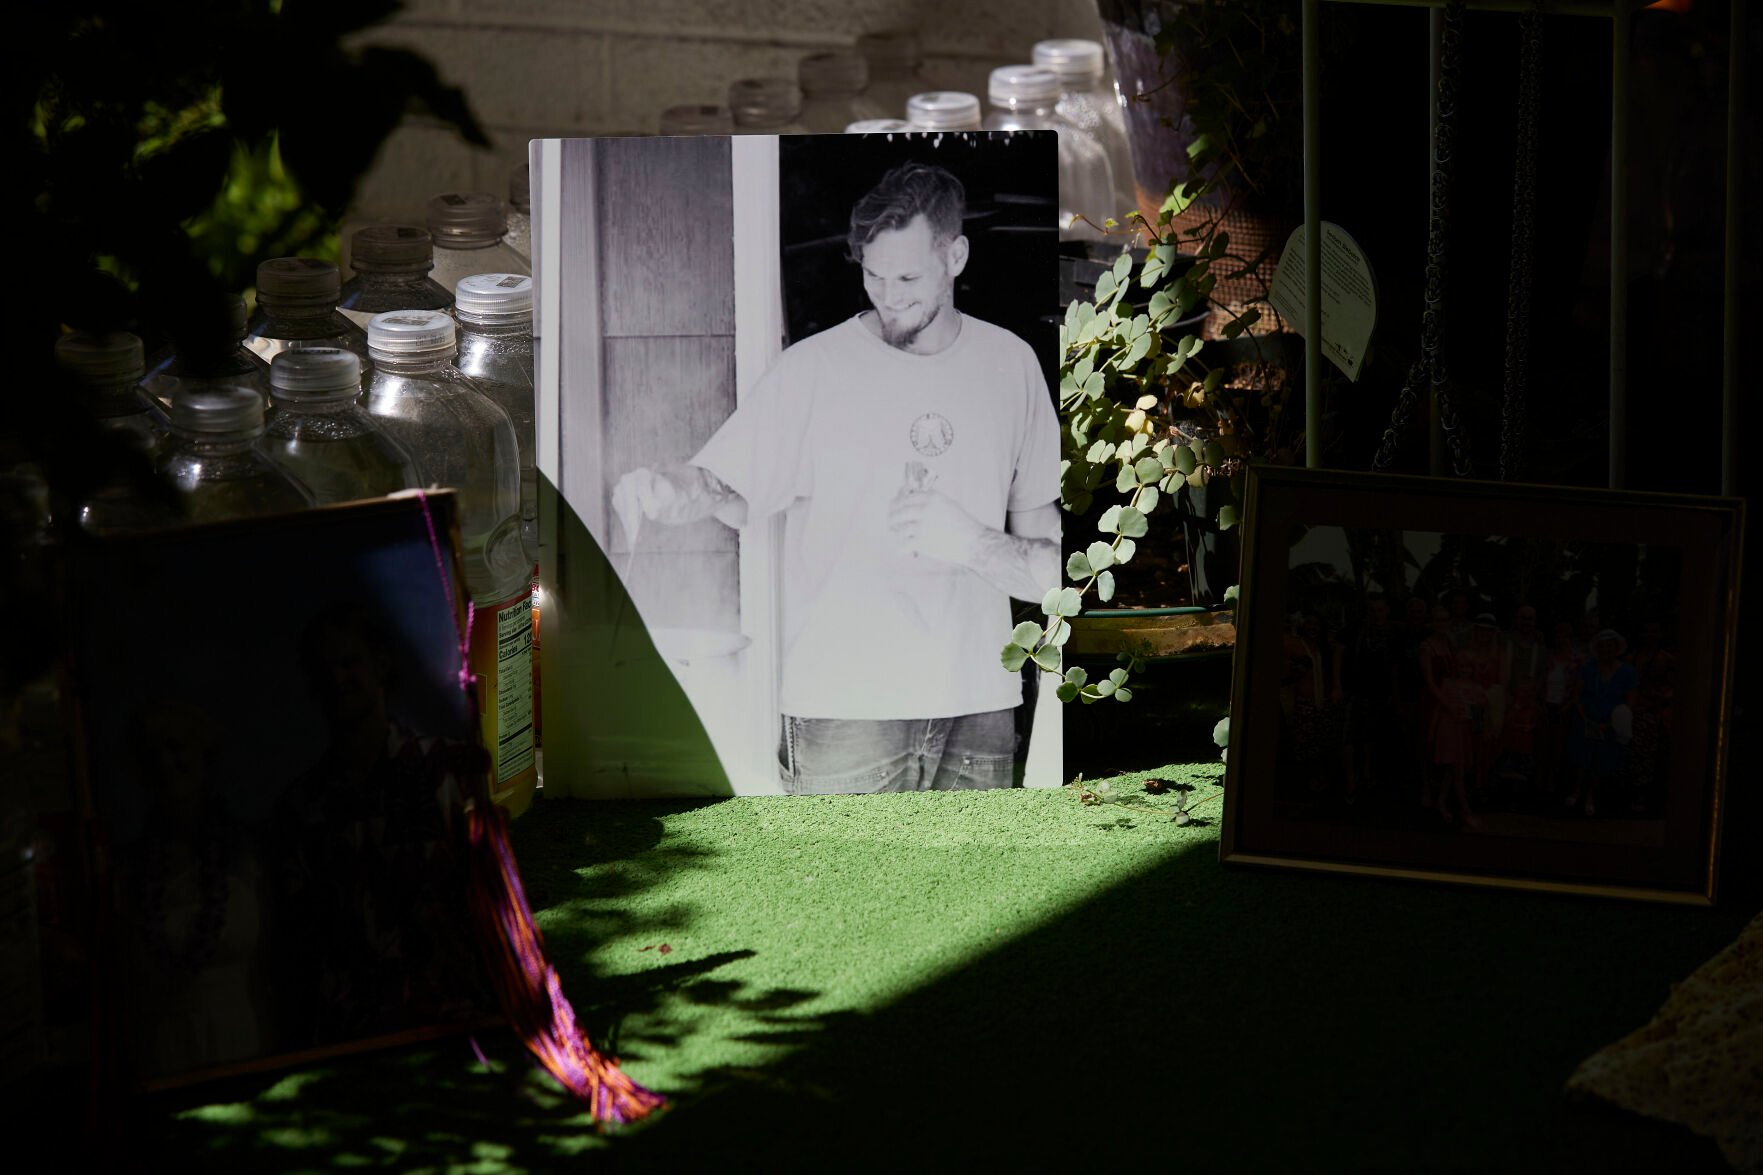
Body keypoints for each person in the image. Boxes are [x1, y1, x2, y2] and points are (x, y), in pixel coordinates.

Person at [612, 161, 1060, 794]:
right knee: (838, 890)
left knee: (983, 892)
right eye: (874, 276)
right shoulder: (812, 371)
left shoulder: (1011, 366)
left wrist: (973, 543)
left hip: (980, 703)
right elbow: (724, 486)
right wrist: (671, 488)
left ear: (956, 255)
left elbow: (1053, 571)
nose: (888, 294)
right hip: (846, 707)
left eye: (907, 276)